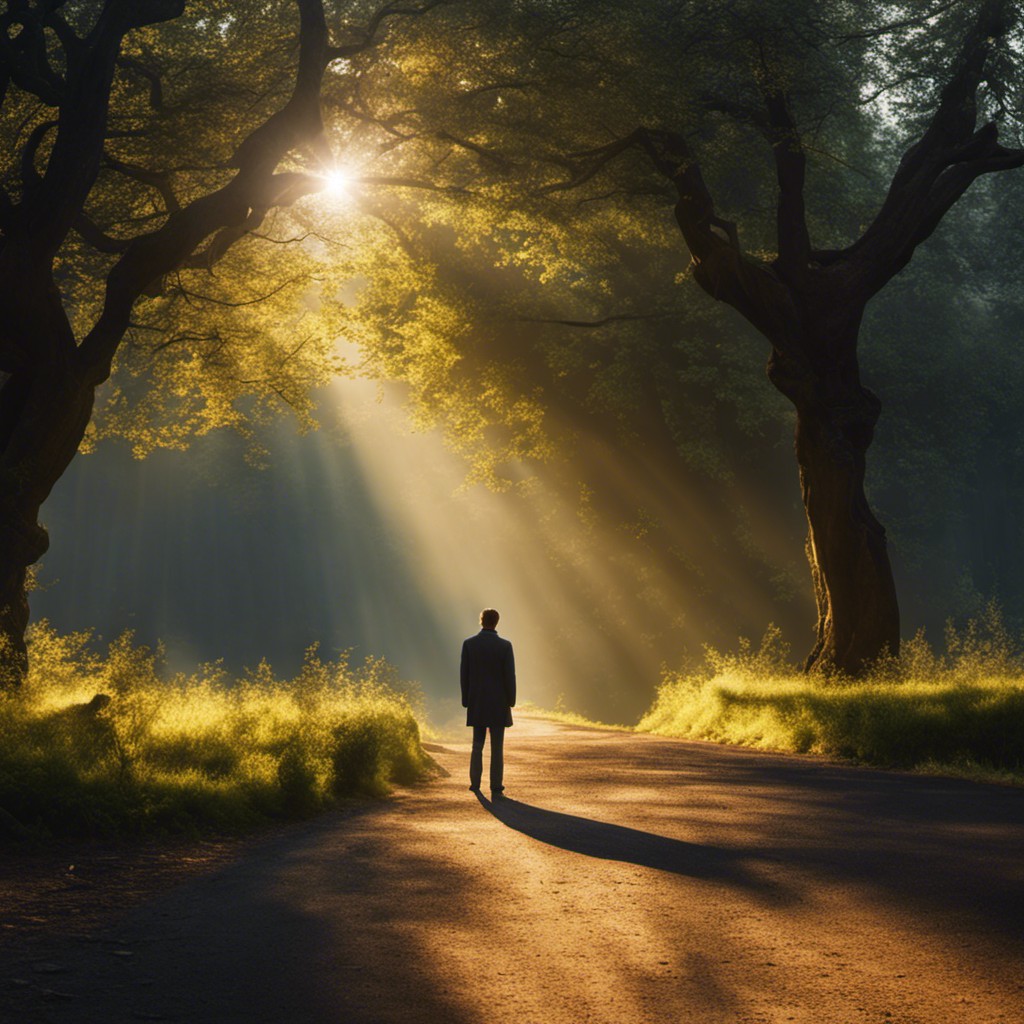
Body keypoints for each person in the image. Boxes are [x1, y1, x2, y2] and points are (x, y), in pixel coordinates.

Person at [460, 608, 516, 800]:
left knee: (477, 744)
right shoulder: (505, 646)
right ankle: (496, 786)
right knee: (497, 746)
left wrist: (466, 699)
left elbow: (464, 675)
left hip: (477, 701)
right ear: (496, 622)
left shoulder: (469, 645)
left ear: (481, 621)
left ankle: (475, 783)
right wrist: (511, 700)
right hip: (499, 702)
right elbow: (510, 676)